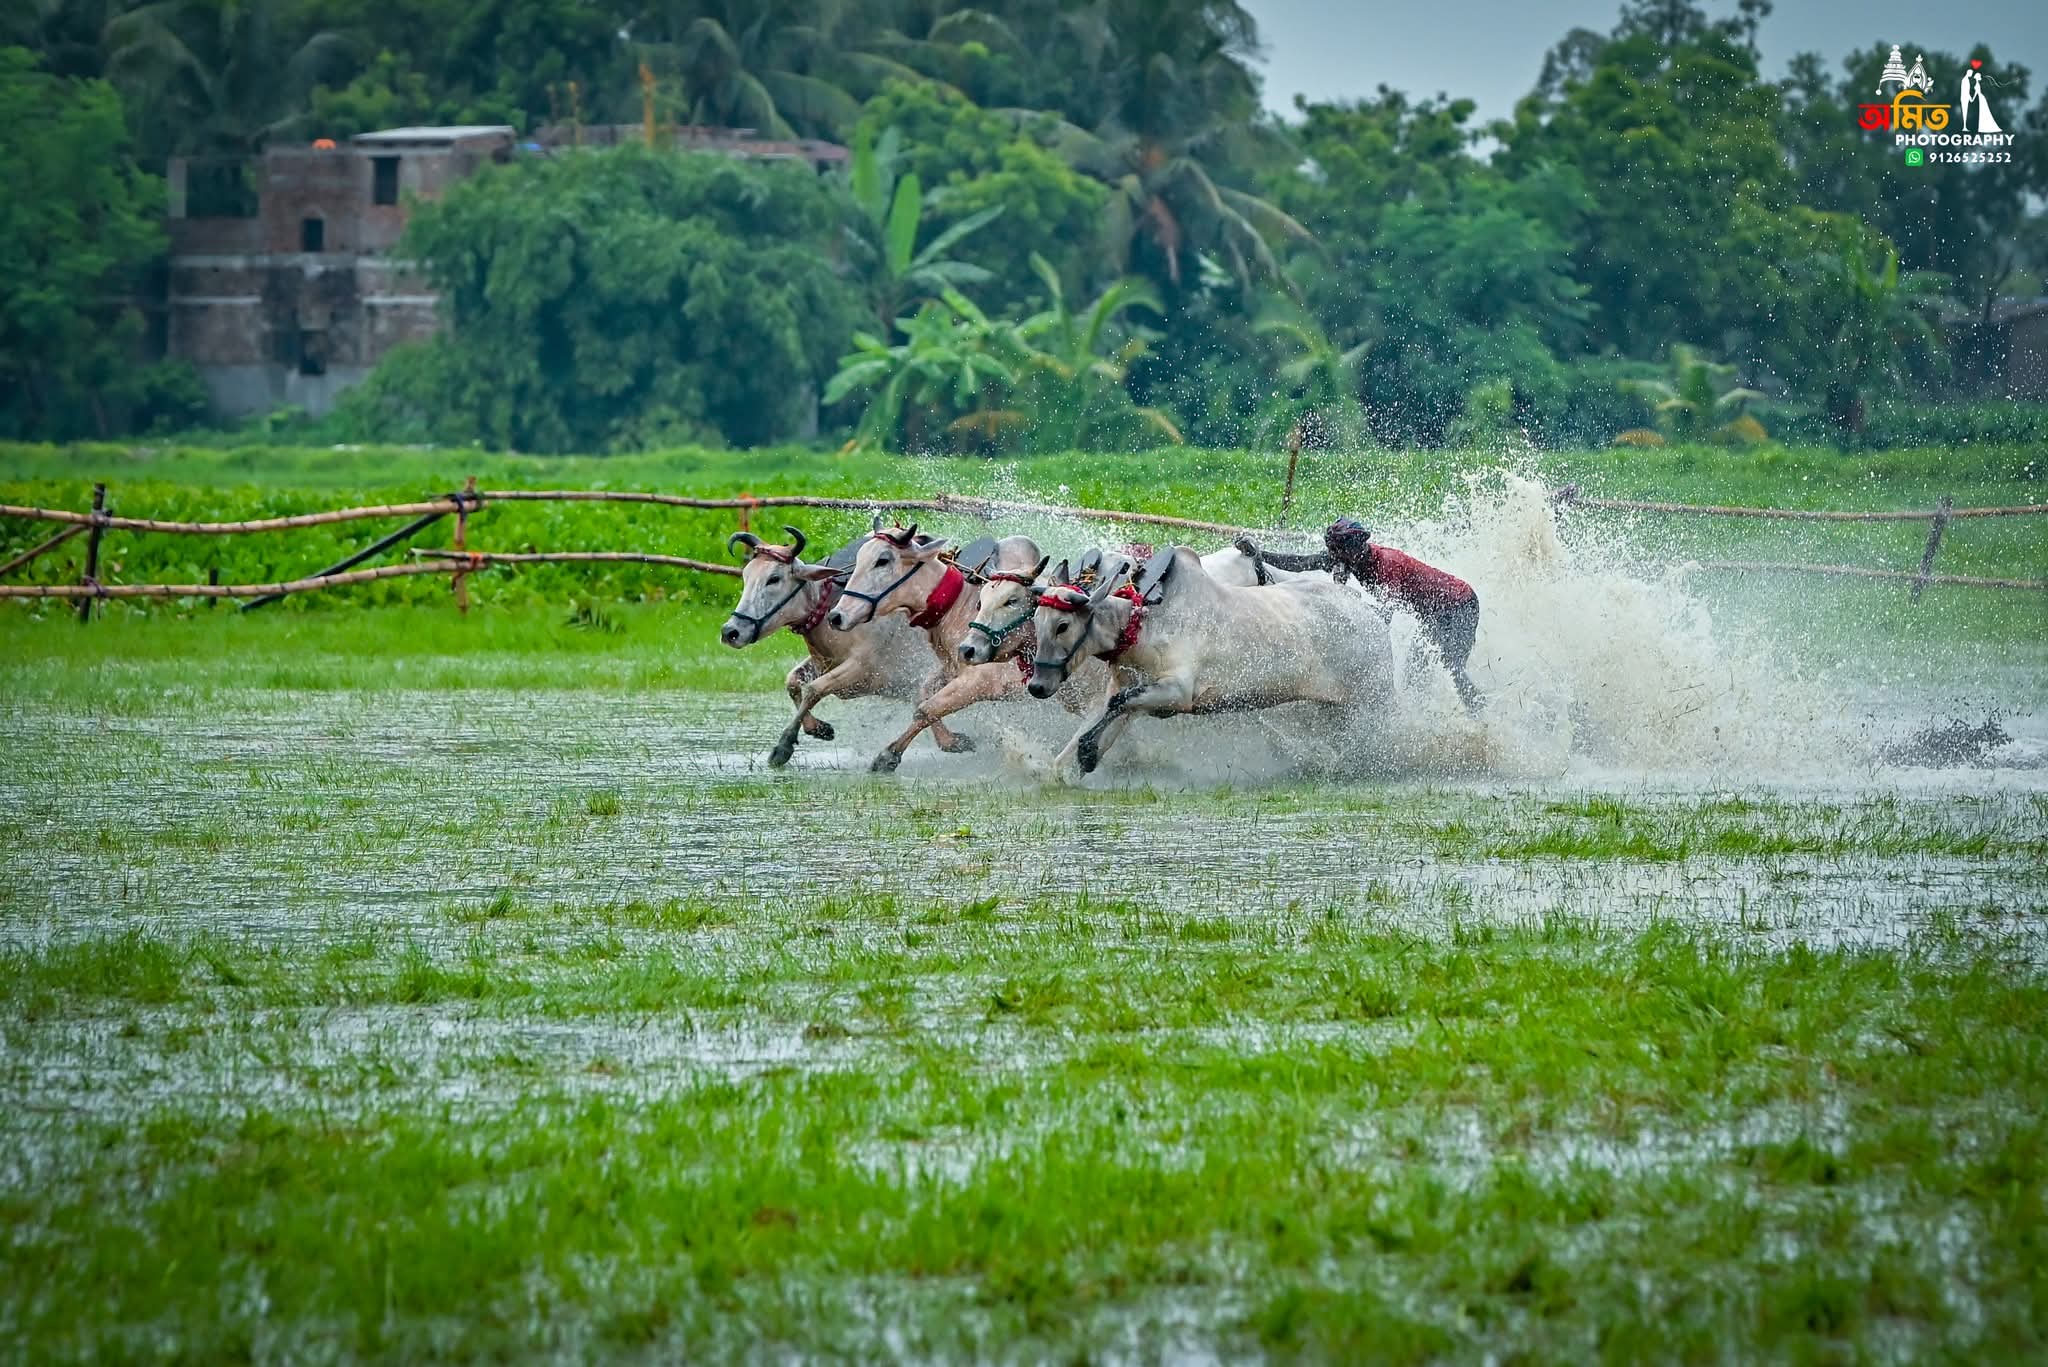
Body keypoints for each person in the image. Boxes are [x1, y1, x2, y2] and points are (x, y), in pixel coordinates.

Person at [1238, 517, 1483, 711]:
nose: (1333, 556)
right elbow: (1302, 563)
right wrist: (1260, 555)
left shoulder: (1386, 565)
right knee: (1415, 674)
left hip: (1459, 604)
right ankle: (1429, 720)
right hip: (1433, 613)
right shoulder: (1349, 557)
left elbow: (1384, 617)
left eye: (1337, 551)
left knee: (1451, 669)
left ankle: (1482, 715)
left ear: (1355, 548)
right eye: (1331, 550)